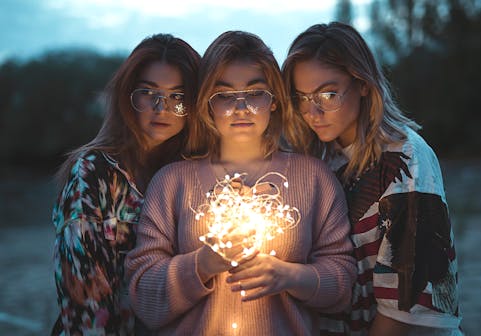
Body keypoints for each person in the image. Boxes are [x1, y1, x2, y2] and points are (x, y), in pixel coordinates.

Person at [125, 30, 357, 335]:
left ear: (274, 100)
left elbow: (344, 287)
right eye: (224, 95)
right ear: (207, 102)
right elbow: (142, 297)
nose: (241, 108)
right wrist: (202, 265)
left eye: (255, 92)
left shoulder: (314, 179)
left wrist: (288, 276)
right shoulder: (172, 183)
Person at [282, 22, 462, 336]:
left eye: (328, 94)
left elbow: (408, 304)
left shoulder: (405, 156)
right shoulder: (320, 160)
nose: (313, 112)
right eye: (302, 97)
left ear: (363, 83)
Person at [51, 34, 200, 335]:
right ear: (128, 95)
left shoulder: (194, 173)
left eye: (178, 96)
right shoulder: (93, 171)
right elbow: (83, 296)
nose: (162, 107)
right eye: (148, 92)